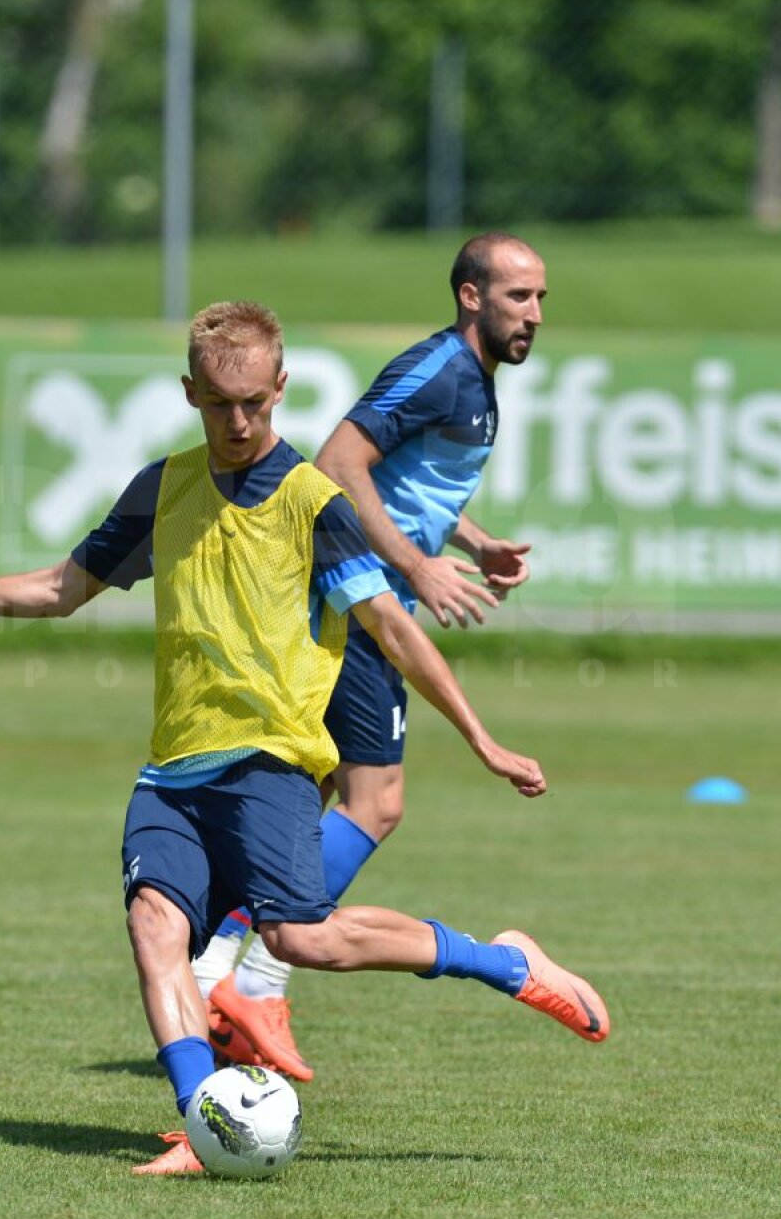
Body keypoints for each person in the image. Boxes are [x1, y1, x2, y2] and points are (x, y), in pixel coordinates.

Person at [0, 300, 607, 1178]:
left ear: (281, 388)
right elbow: (58, 589)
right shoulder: (160, 489)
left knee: (302, 940)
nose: (240, 421)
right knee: (155, 927)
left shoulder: (313, 501)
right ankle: (201, 1119)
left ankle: (499, 960)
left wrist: (482, 738)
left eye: (255, 401)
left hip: (271, 763)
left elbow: (392, 629)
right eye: (221, 404)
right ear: (191, 393)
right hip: (173, 769)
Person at [191, 234, 550, 1082]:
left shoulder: (478, 385)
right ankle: (260, 979)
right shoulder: (439, 369)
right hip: (353, 605)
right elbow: (341, 461)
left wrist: (470, 537)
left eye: (539, 298)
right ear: (471, 296)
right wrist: (418, 565)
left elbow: (407, 482)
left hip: (353, 597)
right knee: (374, 802)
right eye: (516, 297)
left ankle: (216, 969)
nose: (533, 314)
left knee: (306, 796)